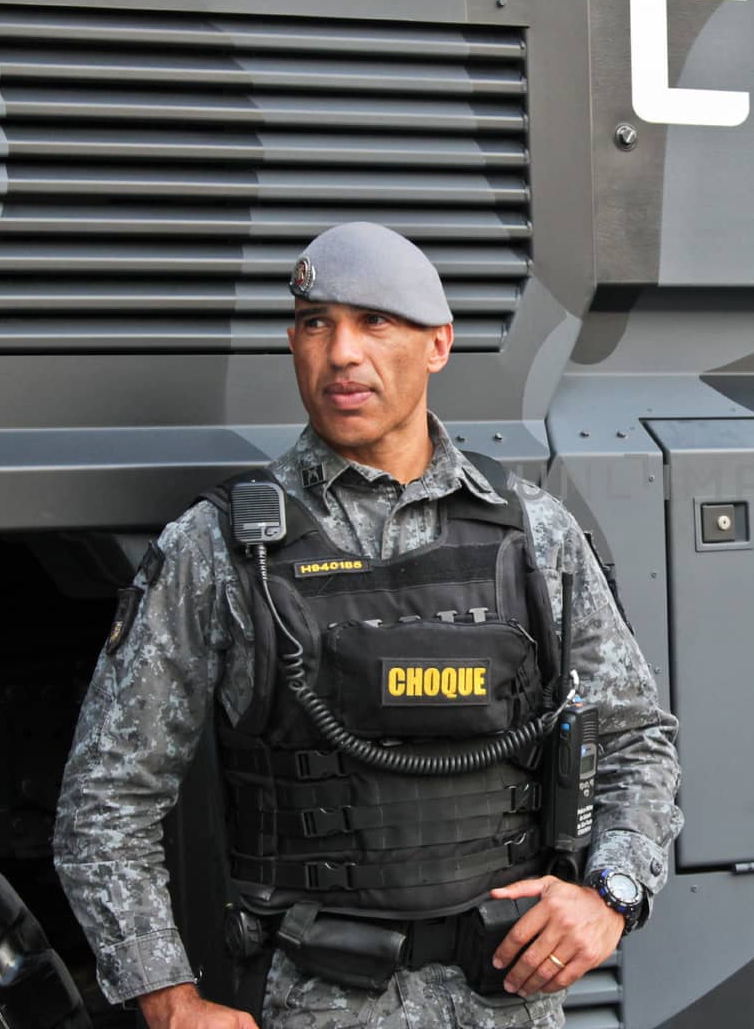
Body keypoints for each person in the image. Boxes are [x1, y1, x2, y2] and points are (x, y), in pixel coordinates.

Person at [52, 222, 682, 1029]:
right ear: (293, 344)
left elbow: (635, 739)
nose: (342, 353)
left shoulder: (533, 533)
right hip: (312, 1003)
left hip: (506, 1005)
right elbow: (107, 799)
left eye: (375, 323)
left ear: (438, 346)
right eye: (317, 325)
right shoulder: (218, 551)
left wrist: (612, 893)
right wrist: (168, 999)